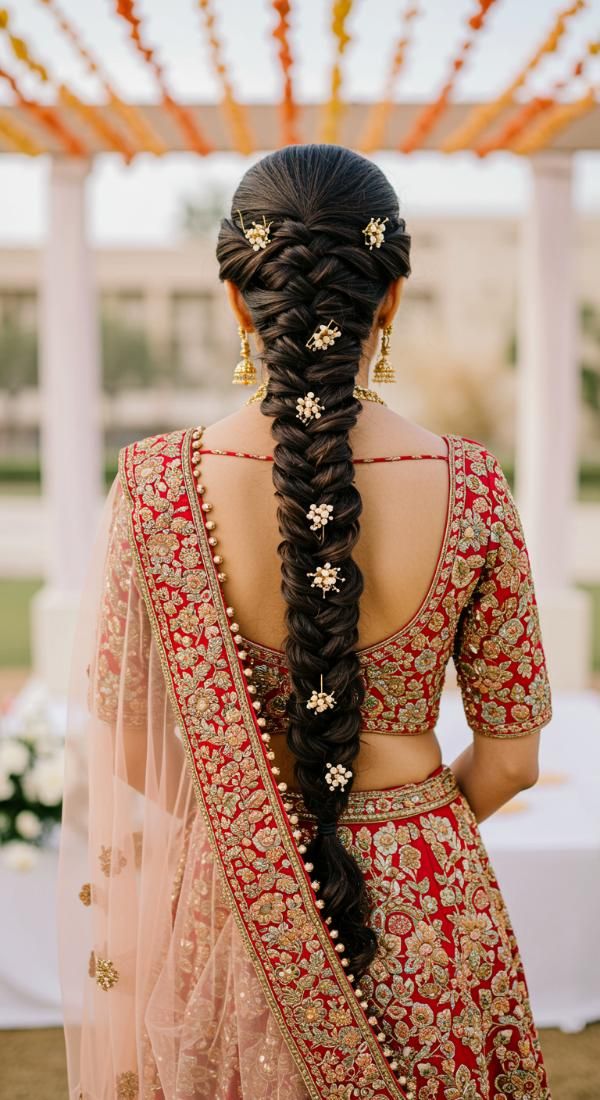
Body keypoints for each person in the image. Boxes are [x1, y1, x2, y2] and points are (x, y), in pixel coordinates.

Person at [58, 144, 554, 1100]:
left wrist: (260, 833)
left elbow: (124, 744)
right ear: (392, 298)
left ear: (239, 300)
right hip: (424, 908)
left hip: (232, 900)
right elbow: (511, 762)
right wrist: (404, 827)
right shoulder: (476, 487)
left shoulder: (156, 488)